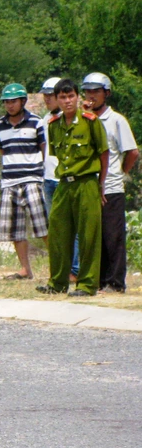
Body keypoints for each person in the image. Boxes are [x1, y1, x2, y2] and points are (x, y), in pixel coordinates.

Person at [37, 78, 109, 297]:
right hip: (63, 184)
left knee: (88, 235)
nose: (67, 101)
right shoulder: (53, 125)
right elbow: (57, 156)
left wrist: (101, 184)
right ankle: (58, 282)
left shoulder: (90, 121)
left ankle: (87, 284)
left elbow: (103, 153)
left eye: (70, 96)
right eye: (62, 97)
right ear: (56, 100)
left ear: (78, 97)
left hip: (86, 181)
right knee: (58, 233)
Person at [81, 72, 138, 293]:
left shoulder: (116, 120)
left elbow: (132, 152)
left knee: (113, 236)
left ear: (106, 93)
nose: (91, 96)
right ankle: (99, 279)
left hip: (111, 186)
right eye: (87, 91)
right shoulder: (84, 118)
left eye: (96, 91)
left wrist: (121, 173)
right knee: (94, 236)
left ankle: (115, 281)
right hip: (89, 184)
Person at [0, 83, 48, 281]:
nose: (9, 105)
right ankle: (25, 269)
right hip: (9, 181)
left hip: (32, 179)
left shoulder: (36, 122)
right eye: (6, 101)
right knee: (16, 229)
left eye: (13, 101)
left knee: (43, 226)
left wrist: (44, 173)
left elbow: (44, 148)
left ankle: (60, 267)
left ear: (23, 101)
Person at [39, 77, 63, 212]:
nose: (47, 99)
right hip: (48, 178)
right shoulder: (45, 119)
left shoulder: (70, 118)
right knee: (53, 224)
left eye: (51, 95)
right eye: (45, 95)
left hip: (63, 179)